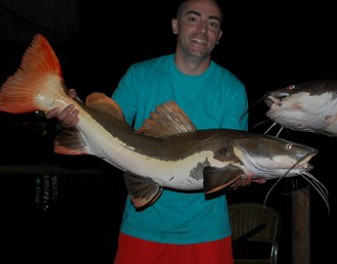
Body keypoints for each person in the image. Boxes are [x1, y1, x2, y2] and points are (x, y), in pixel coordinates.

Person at [46, 0, 265, 263]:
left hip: (207, 234)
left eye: (213, 23)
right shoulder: (140, 75)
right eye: (193, 19)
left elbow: (230, 169)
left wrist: (239, 178)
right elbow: (109, 126)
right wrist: (72, 118)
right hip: (142, 228)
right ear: (175, 25)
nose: (202, 29)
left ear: (219, 36)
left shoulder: (232, 89)